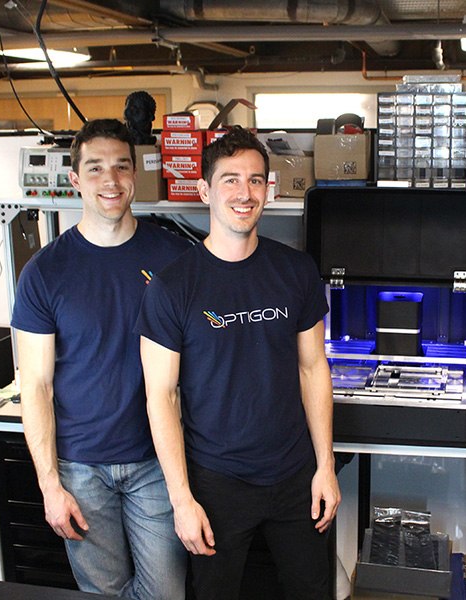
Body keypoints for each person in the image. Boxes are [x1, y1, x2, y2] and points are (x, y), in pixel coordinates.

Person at [136, 125, 340, 600]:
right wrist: (182, 499)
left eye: (254, 180)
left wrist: (324, 466)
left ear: (267, 189)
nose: (243, 193)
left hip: (295, 477)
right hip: (216, 482)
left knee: (312, 591)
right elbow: (160, 398)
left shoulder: (295, 270)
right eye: (229, 179)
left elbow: (313, 369)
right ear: (205, 189)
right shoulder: (173, 286)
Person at [12, 118, 190, 600]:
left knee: (166, 593)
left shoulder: (174, 258)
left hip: (155, 461)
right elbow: (36, 387)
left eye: (120, 166)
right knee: (102, 592)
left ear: (135, 174)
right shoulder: (44, 272)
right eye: (95, 168)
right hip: (80, 468)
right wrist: (50, 485)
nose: (110, 181)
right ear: (75, 179)